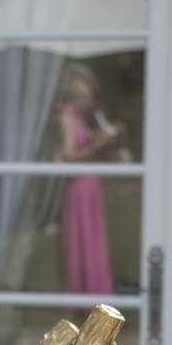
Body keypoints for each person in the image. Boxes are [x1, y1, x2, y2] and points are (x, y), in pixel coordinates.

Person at [53, 62, 121, 295]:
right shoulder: (67, 116)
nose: (90, 98)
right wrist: (98, 143)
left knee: (92, 243)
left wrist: (103, 140)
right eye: (86, 92)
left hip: (89, 185)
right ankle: (82, 298)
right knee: (81, 244)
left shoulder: (80, 117)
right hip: (78, 187)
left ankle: (94, 297)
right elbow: (69, 157)